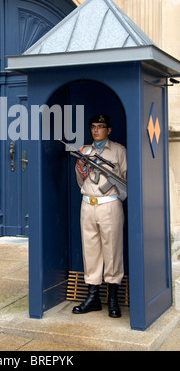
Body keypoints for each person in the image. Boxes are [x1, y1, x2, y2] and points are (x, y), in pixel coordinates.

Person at [72, 114, 127, 318]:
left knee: (112, 249)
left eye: (101, 126)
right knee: (90, 250)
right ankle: (93, 297)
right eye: (93, 127)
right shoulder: (85, 151)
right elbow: (80, 179)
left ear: (109, 130)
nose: (96, 130)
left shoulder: (119, 150)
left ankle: (113, 298)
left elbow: (125, 176)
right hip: (88, 204)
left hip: (109, 205)